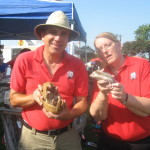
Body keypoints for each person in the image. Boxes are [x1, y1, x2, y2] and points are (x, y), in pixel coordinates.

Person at [10, 11, 88, 150]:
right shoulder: (25, 60)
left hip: (67, 136)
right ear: (42, 35)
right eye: (53, 32)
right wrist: (34, 97)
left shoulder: (77, 64)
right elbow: (14, 99)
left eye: (63, 33)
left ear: (68, 38)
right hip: (33, 138)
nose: (58, 38)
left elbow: (82, 102)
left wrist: (69, 114)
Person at [89, 32, 150, 150]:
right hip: (109, 141)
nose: (104, 51)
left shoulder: (141, 65)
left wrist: (125, 97)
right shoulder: (102, 74)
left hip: (141, 142)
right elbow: (98, 116)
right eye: (99, 49)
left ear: (119, 45)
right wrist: (102, 93)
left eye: (108, 45)